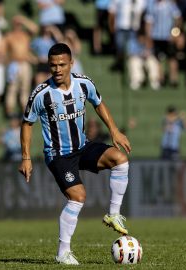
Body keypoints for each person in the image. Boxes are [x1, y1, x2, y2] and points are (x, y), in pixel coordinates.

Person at [19, 43, 131, 265]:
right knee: (78, 196)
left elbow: (98, 104)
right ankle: (63, 253)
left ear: (71, 63)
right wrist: (26, 157)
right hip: (58, 155)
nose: (57, 69)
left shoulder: (84, 83)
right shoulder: (41, 94)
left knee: (120, 160)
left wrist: (114, 130)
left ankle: (114, 214)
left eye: (62, 64)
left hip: (83, 146)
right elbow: (27, 123)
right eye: (53, 65)